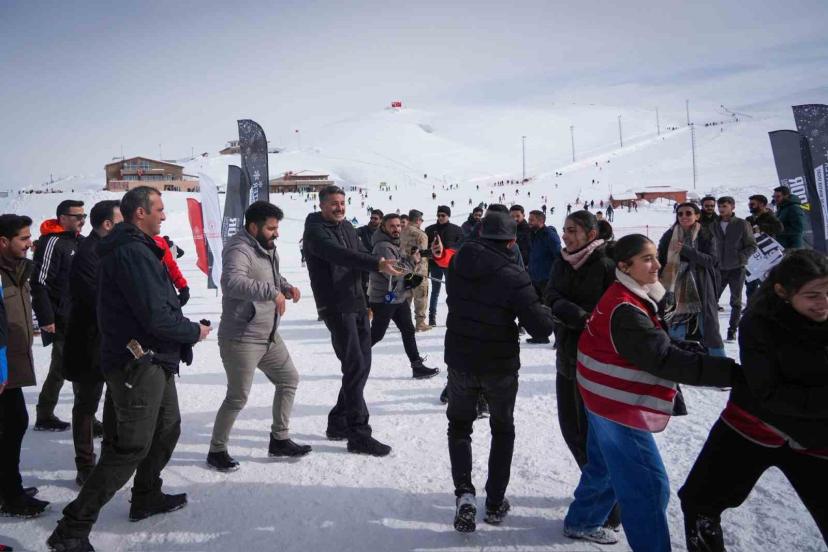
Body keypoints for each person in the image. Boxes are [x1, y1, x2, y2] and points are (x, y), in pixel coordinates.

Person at [48, 187, 211, 552]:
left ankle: (146, 495)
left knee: (168, 428)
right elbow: (155, 316)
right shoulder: (131, 252)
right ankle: (72, 528)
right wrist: (193, 331)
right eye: (159, 209)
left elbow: (157, 305)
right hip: (137, 363)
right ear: (140, 213)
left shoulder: (139, 247)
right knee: (130, 447)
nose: (164, 216)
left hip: (157, 358)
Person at [562, 234, 737, 549]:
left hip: (598, 398)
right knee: (649, 487)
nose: (657, 264)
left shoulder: (629, 294)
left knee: (604, 466)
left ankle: (582, 521)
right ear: (624, 266)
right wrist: (731, 372)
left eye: (656, 256)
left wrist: (688, 348)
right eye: (647, 259)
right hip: (617, 405)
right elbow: (663, 359)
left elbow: (650, 343)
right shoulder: (625, 308)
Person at [679, 249, 828, 551]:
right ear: (783, 292)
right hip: (752, 426)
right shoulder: (760, 321)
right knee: (699, 502)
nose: (824, 302)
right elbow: (767, 391)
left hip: (816, 439)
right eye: (813, 295)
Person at [445, 212, 555, 533]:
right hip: (498, 364)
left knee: (459, 427)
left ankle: (464, 494)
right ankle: (494, 502)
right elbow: (540, 327)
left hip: (461, 359)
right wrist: (548, 309)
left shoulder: (458, 262)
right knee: (502, 429)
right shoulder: (513, 274)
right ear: (511, 242)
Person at [207, 201, 310, 473]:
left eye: (277, 228)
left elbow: (271, 276)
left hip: (268, 334)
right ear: (253, 227)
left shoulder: (266, 246)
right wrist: (271, 292)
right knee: (237, 397)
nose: (276, 233)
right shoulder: (239, 248)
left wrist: (285, 286)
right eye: (271, 228)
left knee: (288, 379)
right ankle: (217, 450)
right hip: (242, 337)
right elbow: (231, 282)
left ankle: (280, 439)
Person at [303, 185, 402, 457]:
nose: (339, 207)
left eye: (342, 203)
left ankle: (338, 421)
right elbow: (339, 255)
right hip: (336, 307)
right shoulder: (315, 232)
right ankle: (358, 433)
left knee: (362, 365)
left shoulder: (347, 227)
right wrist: (377, 264)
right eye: (334, 203)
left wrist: (379, 272)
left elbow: (362, 256)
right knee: (355, 365)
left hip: (357, 303)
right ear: (322, 205)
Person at [544, 211, 619, 527]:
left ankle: (608, 506)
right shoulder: (562, 261)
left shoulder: (607, 264)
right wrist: (567, 310)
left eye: (572, 231)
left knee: (596, 438)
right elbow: (549, 294)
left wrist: (584, 317)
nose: (565, 236)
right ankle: (600, 494)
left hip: (599, 364)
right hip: (567, 357)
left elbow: (615, 311)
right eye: (564, 230)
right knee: (572, 430)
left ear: (591, 234)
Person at [63, 200, 122, 487]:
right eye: (121, 221)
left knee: (114, 400)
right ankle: (85, 464)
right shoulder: (87, 254)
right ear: (107, 225)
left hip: (111, 340)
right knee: (86, 404)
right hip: (89, 343)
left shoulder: (114, 248)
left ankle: (111, 455)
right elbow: (97, 300)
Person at [0, 214, 49, 518]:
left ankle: (9, 488)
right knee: (11, 425)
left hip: (13, 364)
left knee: (14, 424)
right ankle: (11, 495)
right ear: (3, 241)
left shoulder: (18, 269)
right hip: (2, 367)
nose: (30, 243)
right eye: (23, 238)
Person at [31, 199, 86, 432]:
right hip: (62, 318)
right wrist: (46, 318)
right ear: (63, 218)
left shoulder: (80, 241)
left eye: (84, 216)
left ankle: (80, 416)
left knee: (71, 367)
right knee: (69, 367)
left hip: (81, 316)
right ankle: (52, 415)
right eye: (77, 217)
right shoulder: (52, 242)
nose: (82, 220)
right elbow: (39, 282)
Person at [368, 214, 439, 379]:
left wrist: (423, 254)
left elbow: (402, 262)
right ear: (384, 227)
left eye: (399, 225)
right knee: (377, 334)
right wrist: (413, 263)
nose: (396, 229)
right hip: (385, 299)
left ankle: (417, 366)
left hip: (397, 297)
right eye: (392, 226)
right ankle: (353, 356)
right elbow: (395, 272)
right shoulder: (383, 246)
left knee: (408, 330)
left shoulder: (393, 243)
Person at [657, 202, 725, 356]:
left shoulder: (705, 234)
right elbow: (661, 260)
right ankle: (677, 360)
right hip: (674, 286)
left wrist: (686, 250)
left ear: (697, 216)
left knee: (708, 327)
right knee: (675, 324)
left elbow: (711, 261)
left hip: (700, 284)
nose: (684, 216)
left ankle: (719, 362)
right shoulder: (669, 235)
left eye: (688, 213)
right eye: (680, 214)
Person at [712, 196, 757, 341]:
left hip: (737, 268)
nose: (721, 209)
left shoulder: (742, 224)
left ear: (732, 207)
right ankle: (712, 330)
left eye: (724, 206)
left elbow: (752, 245)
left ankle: (732, 330)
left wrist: (741, 257)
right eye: (719, 206)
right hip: (719, 268)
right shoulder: (714, 224)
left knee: (736, 301)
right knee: (712, 300)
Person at [526, 210, 561, 344]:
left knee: (552, 309)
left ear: (541, 221)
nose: (529, 222)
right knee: (537, 310)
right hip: (535, 278)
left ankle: (559, 339)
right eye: (529, 219)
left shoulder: (549, 235)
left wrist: (555, 275)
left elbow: (558, 256)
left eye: (532, 220)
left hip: (548, 279)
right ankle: (541, 335)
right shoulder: (533, 234)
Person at [424, 206, 463, 327]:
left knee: (451, 290)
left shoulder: (456, 229)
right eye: (439, 215)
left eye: (443, 215)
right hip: (434, 264)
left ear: (448, 216)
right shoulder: (429, 229)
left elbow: (461, 245)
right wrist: (432, 253)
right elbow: (424, 248)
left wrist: (449, 252)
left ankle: (454, 314)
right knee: (435, 291)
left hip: (448, 264)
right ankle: (432, 317)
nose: (440, 217)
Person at [400, 209, 431, 332]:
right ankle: (420, 323)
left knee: (407, 297)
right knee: (421, 297)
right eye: (421, 220)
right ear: (418, 220)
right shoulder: (421, 235)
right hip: (419, 270)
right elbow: (422, 253)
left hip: (405, 269)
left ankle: (405, 322)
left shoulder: (402, 231)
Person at [153, 235, 189, 306]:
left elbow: (171, 265)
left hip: (164, 290)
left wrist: (183, 287)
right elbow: (181, 253)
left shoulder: (160, 241)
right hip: (157, 292)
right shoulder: (161, 241)